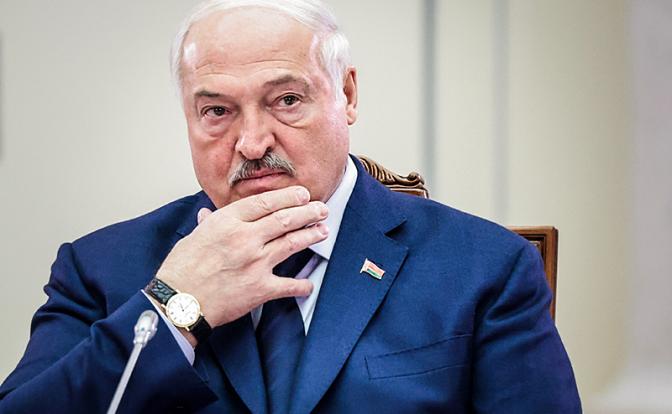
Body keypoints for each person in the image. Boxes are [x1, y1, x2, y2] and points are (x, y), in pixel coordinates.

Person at [0, 0, 581, 412]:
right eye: (217, 111)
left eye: (286, 100)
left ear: (347, 95)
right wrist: (177, 305)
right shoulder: (100, 268)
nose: (253, 143)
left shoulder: (484, 267)